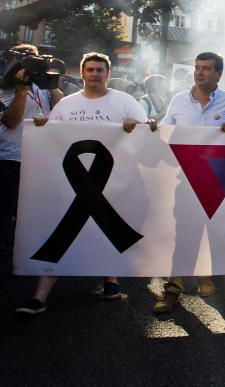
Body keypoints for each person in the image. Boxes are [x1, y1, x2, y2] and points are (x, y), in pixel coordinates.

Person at [16, 52, 152, 315]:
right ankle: (40, 294)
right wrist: (43, 126)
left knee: (100, 228)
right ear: (82, 73)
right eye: (89, 70)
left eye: (99, 70)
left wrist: (136, 125)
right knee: (66, 227)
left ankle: (109, 279)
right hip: (70, 182)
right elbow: (53, 139)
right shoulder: (66, 104)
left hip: (113, 180)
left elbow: (146, 134)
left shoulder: (125, 101)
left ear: (108, 74)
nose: (94, 74)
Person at [153, 52, 225, 314]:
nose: (199, 72)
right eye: (197, 68)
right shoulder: (179, 101)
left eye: (206, 68)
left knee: (217, 233)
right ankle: (174, 288)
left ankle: (209, 277)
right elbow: (163, 133)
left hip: (220, 180)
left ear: (219, 73)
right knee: (185, 234)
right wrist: (149, 128)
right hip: (187, 180)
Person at [1, 44, 59, 257]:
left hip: (38, 159)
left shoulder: (41, 87)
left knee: (30, 213)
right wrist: (21, 90)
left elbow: (64, 110)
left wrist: (51, 84)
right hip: (11, 158)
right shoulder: (6, 87)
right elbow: (11, 121)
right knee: (6, 211)